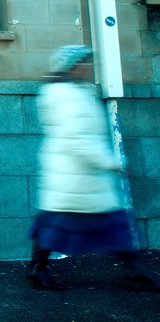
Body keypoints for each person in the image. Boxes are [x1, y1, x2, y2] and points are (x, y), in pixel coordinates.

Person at [27, 45, 158, 292]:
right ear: (72, 66)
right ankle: (135, 271)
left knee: (71, 223)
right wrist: (112, 163)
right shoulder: (66, 95)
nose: (89, 67)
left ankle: (38, 269)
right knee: (101, 223)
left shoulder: (69, 92)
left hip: (78, 176)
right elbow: (77, 138)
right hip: (76, 175)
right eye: (85, 63)